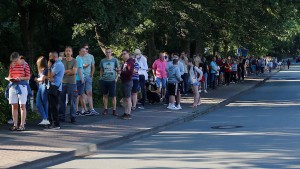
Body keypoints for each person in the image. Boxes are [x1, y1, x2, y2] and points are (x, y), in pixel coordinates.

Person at [6, 52, 31, 131]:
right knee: (14, 106)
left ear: (19, 58)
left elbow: (28, 77)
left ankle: (22, 125)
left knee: (22, 106)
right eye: (13, 61)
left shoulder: (25, 64)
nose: (15, 62)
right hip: (13, 86)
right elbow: (10, 75)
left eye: (16, 61)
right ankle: (15, 125)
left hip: (22, 86)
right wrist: (10, 78)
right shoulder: (12, 65)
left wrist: (20, 78)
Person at [59, 46, 78, 123]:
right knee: (61, 101)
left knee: (72, 101)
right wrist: (68, 71)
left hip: (72, 83)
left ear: (72, 52)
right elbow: (59, 71)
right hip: (62, 82)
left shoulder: (74, 61)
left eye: (69, 51)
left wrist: (64, 71)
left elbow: (74, 72)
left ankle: (73, 117)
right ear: (64, 52)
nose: (68, 52)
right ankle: (61, 116)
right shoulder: (61, 61)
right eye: (66, 51)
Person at [100, 48, 120, 116]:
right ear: (105, 53)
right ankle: (105, 109)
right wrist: (100, 78)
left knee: (113, 96)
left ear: (111, 53)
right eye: (107, 52)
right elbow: (101, 70)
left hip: (112, 80)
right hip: (104, 80)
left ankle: (114, 110)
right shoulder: (103, 60)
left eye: (109, 52)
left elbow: (119, 69)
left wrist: (117, 78)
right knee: (105, 95)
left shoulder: (115, 60)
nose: (108, 53)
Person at [47, 51, 64, 129]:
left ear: (54, 57)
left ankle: (56, 124)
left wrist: (49, 67)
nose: (49, 59)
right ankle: (52, 123)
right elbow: (49, 77)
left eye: (50, 57)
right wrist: (50, 78)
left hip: (55, 87)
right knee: (51, 106)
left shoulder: (58, 65)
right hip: (53, 86)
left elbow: (50, 76)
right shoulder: (56, 64)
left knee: (53, 106)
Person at [81, 44, 98, 115]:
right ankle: (83, 109)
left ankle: (92, 109)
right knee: (81, 93)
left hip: (88, 76)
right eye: (85, 48)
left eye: (87, 49)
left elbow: (93, 66)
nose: (86, 50)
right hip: (81, 76)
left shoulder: (91, 56)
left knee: (89, 93)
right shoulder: (79, 57)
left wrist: (92, 74)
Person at [119, 50, 135, 119]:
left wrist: (121, 72)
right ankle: (126, 113)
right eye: (122, 54)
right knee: (125, 98)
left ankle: (128, 114)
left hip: (128, 81)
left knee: (128, 98)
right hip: (124, 81)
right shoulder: (125, 62)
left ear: (128, 54)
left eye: (124, 54)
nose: (123, 55)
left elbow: (130, 72)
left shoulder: (130, 62)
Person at [35, 56, 50, 125]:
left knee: (45, 103)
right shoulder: (41, 70)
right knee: (38, 103)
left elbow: (42, 79)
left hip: (44, 86)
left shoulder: (46, 69)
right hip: (40, 86)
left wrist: (36, 79)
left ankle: (45, 118)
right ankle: (45, 118)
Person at [76, 47, 88, 116]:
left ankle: (84, 109)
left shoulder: (77, 58)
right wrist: (82, 79)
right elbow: (79, 69)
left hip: (77, 79)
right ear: (79, 52)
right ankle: (77, 110)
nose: (84, 52)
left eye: (85, 51)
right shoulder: (79, 59)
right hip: (79, 79)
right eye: (82, 51)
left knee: (80, 95)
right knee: (78, 95)